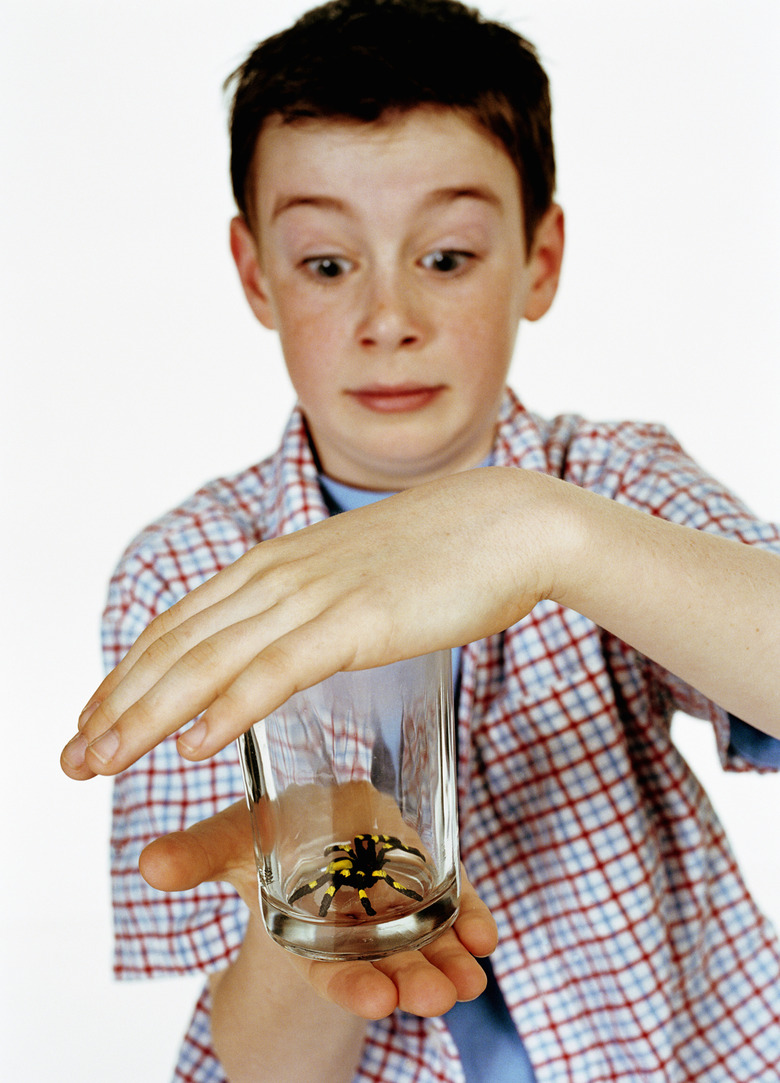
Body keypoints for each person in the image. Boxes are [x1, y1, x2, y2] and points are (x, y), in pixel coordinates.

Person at [60, 0, 780, 1080]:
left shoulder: (607, 485)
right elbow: (266, 1066)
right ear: (256, 273)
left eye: (445, 256)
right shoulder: (192, 572)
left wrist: (546, 534)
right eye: (327, 263)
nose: (388, 316)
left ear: (539, 259)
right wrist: (318, 880)